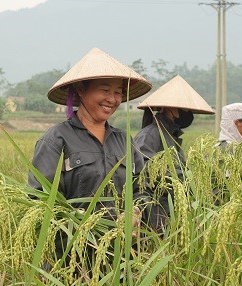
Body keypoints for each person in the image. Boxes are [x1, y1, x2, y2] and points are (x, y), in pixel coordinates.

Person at [27, 47, 152, 269]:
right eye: (105, 90)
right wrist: (79, 219)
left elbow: (142, 188)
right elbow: (40, 200)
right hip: (69, 260)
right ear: (81, 90)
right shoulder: (56, 140)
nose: (112, 99)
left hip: (120, 260)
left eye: (118, 92)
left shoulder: (124, 141)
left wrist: (135, 211)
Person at [134, 74, 215, 233]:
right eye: (185, 109)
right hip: (157, 215)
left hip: (172, 212)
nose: (188, 113)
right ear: (170, 108)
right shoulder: (150, 135)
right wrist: (185, 178)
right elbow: (143, 174)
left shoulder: (170, 135)